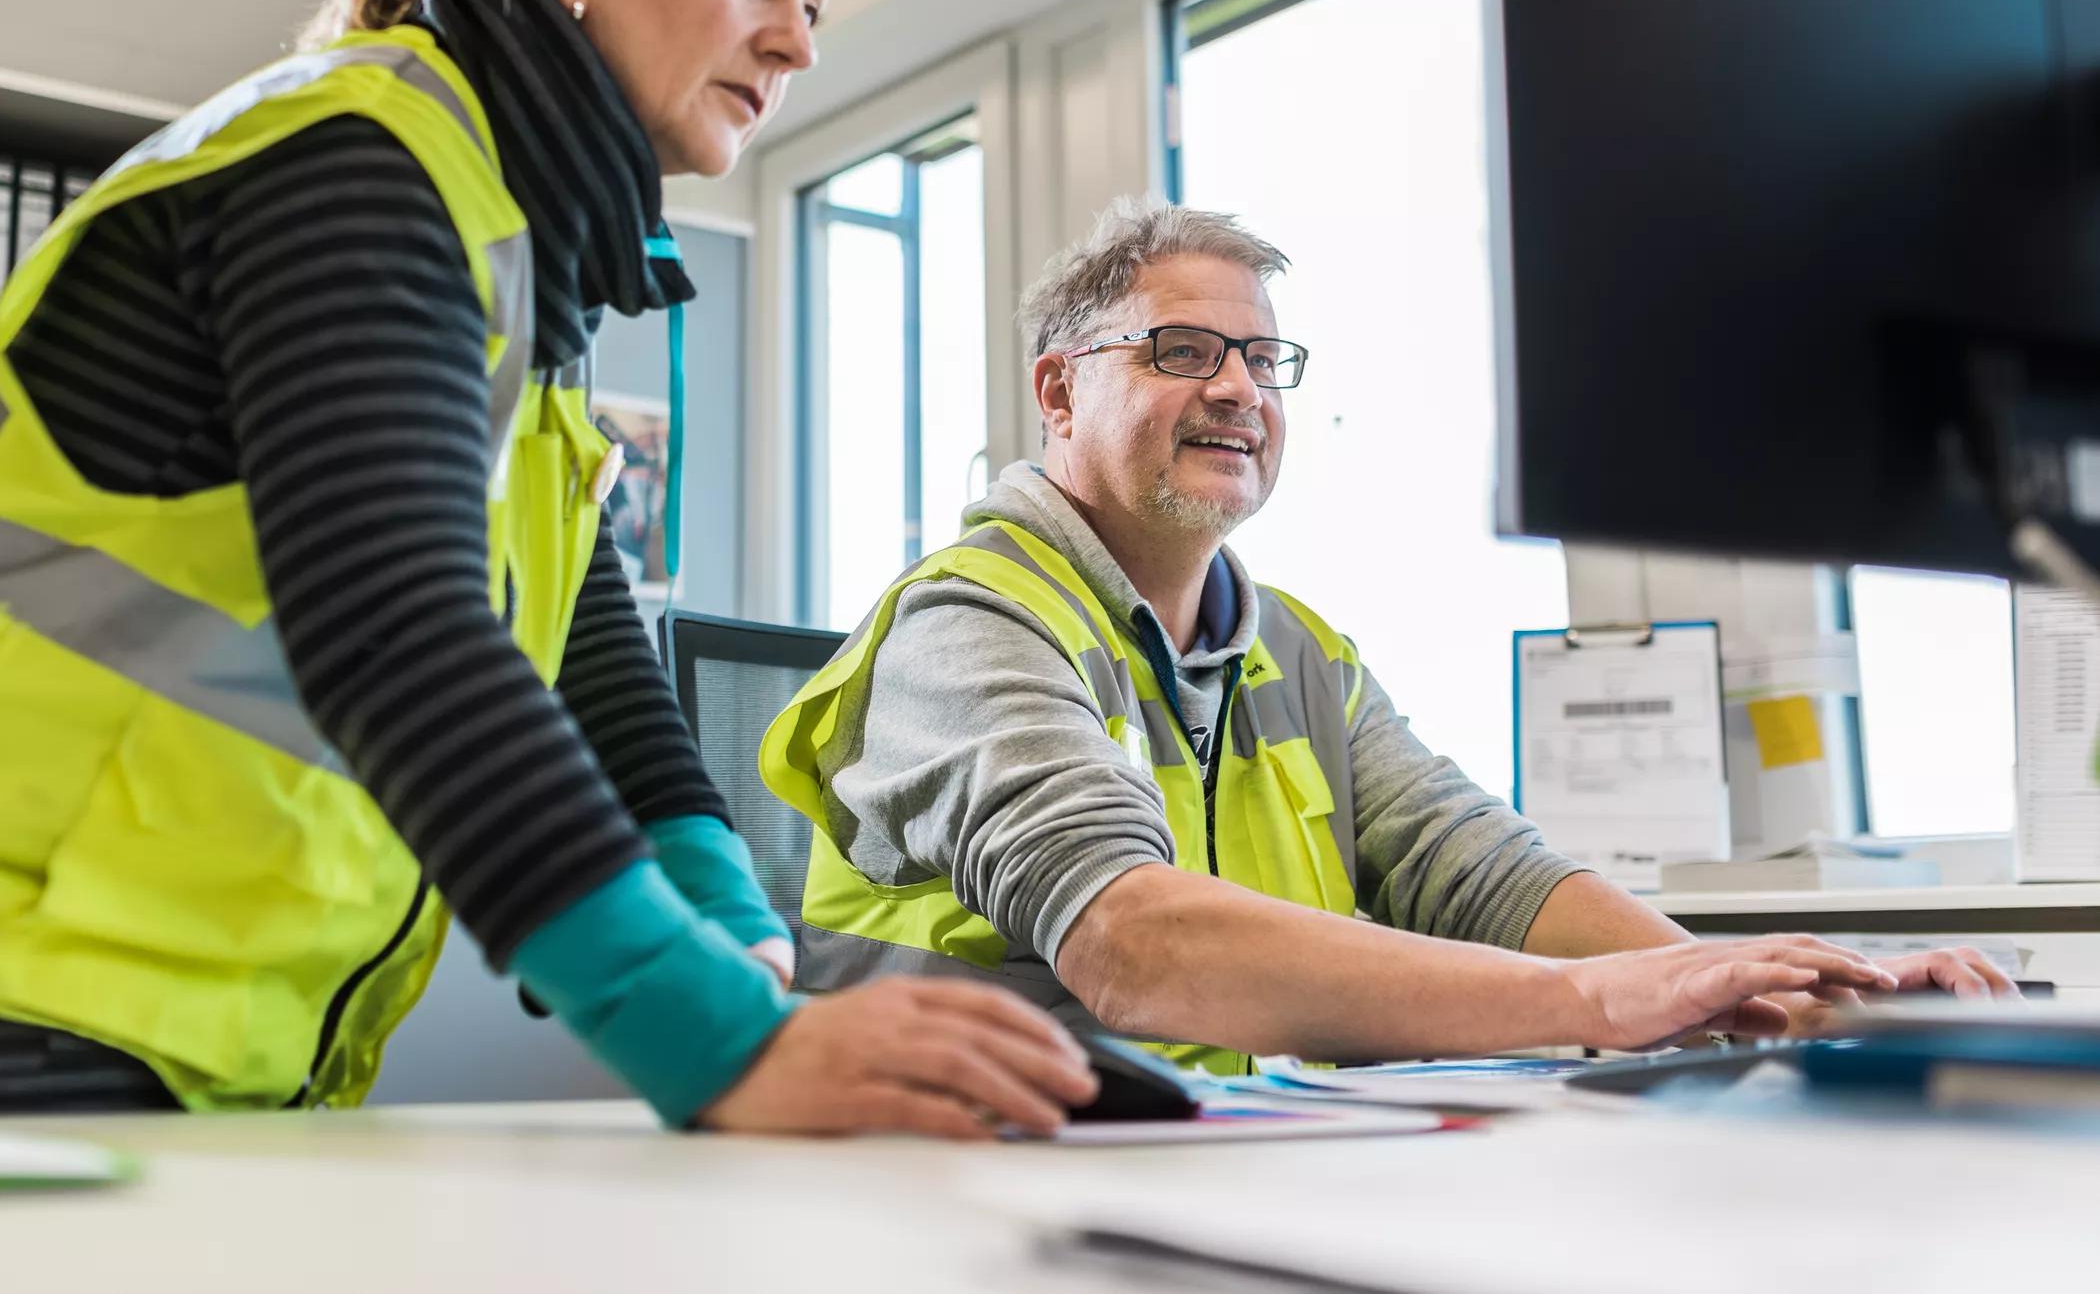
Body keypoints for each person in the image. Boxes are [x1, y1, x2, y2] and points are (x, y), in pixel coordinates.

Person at [0, 0, 1094, 1138]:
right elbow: (391, 620)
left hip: (123, 1027)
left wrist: (731, 922)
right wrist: (715, 1042)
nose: (795, 38)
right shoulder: (357, 161)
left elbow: (587, 662)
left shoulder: (527, 288)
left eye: (818, 0)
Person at [762, 199, 2013, 1068]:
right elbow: (1132, 943)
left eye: (1261, 357)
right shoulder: (969, 618)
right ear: (1057, 389)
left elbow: (1481, 870)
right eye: (1183, 350)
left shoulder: (1295, 650)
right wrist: (1589, 1002)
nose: (1239, 389)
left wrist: (1765, 994)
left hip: (1226, 1167)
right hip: (972, 1191)